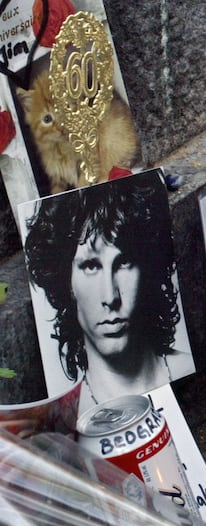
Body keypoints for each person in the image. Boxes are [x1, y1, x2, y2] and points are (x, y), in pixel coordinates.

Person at [24, 173, 188, 404]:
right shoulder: (68, 415)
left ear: (148, 268)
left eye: (124, 262)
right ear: (65, 281)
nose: (110, 297)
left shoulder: (188, 370)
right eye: (91, 266)